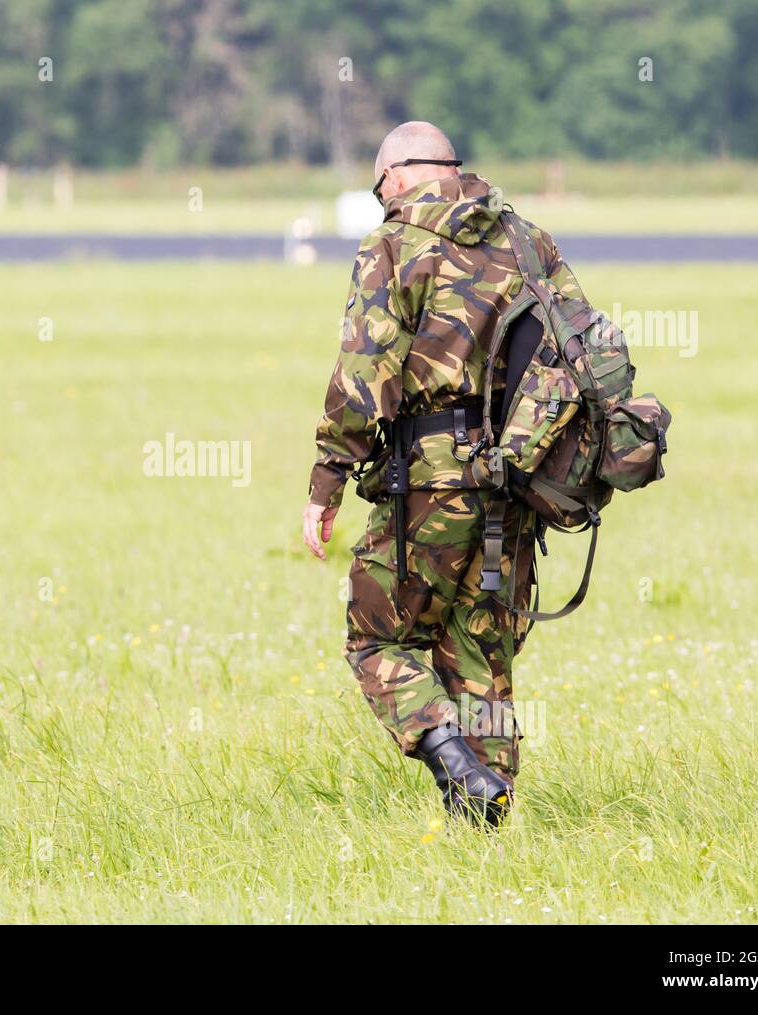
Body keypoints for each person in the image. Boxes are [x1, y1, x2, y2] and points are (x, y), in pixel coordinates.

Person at [300, 121, 584, 825]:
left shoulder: (393, 244)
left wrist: (327, 479)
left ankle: (451, 755)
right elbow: (581, 350)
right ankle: (488, 817)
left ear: (396, 177)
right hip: (517, 478)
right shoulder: (527, 239)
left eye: (380, 189)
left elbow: (365, 375)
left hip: (429, 483)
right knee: (481, 650)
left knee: (373, 640)